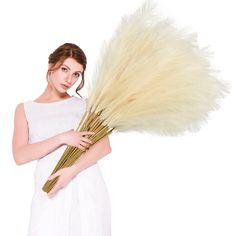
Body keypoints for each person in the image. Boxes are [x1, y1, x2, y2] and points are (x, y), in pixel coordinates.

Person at [12, 43, 112, 236]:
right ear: (51, 65)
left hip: (87, 186)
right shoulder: (25, 109)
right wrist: (63, 137)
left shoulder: (85, 105)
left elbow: (104, 147)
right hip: (49, 191)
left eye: (77, 74)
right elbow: (20, 155)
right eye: (65, 69)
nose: (69, 79)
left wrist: (71, 172)